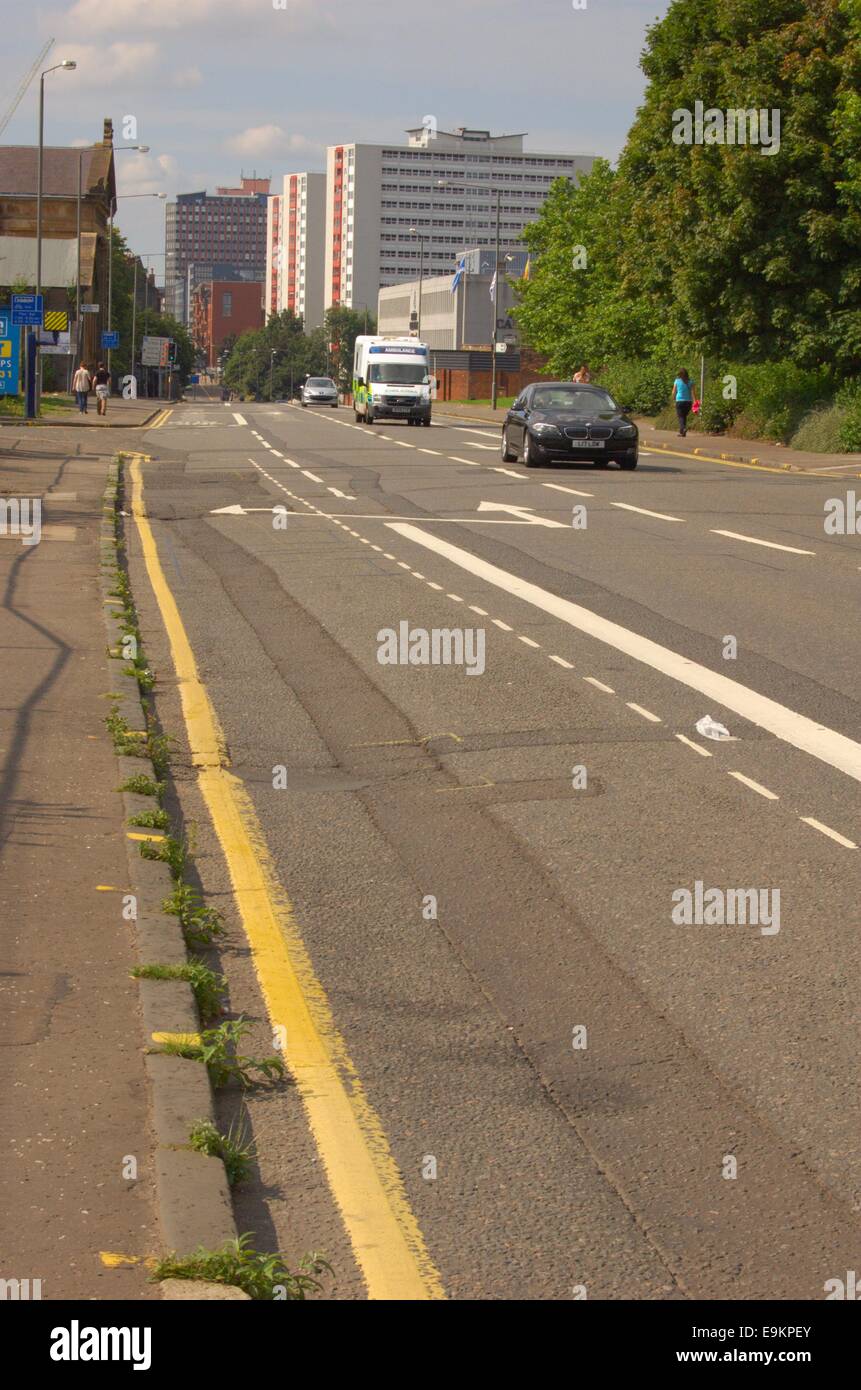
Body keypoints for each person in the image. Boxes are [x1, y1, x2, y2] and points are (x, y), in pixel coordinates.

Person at [672, 368, 693, 436]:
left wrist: (673, 399)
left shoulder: (677, 381)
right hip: (688, 402)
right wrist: (695, 401)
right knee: (684, 416)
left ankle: (683, 428)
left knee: (680, 417)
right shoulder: (690, 382)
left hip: (680, 401)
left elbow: (674, 392)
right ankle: (682, 432)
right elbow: (693, 392)